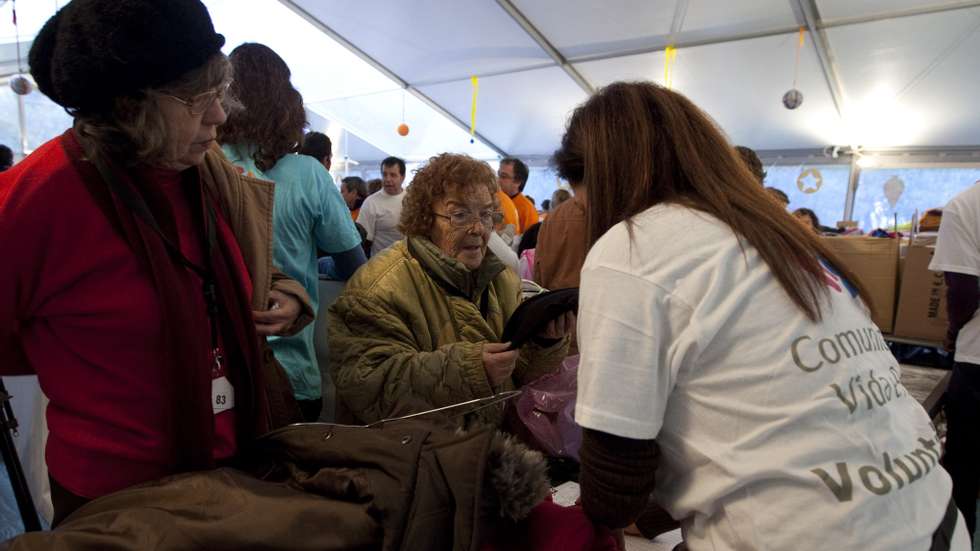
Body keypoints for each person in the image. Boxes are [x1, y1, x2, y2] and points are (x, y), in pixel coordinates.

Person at [557, 82, 969, 550]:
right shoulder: (777, 235)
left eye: (589, 207)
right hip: (930, 518)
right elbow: (761, 422)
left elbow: (614, 488)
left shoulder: (631, 248)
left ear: (607, 179)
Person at [0, 0, 314, 525]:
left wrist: (285, 293)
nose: (219, 114)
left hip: (240, 473)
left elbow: (230, 270)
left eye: (219, 91)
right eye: (196, 98)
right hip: (120, 509)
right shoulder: (36, 200)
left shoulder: (206, 171)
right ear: (129, 106)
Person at [327, 153, 571, 426]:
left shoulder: (502, 281)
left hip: (487, 456)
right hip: (412, 460)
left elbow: (519, 378)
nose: (478, 228)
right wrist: (469, 371)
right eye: (460, 215)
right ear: (424, 218)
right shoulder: (375, 288)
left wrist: (545, 342)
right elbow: (369, 387)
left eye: (486, 214)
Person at [218, 43, 366, 422]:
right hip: (292, 371)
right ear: (288, 102)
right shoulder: (308, 175)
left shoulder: (208, 166)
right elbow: (355, 264)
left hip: (219, 371)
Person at [930, 182, 980, 543]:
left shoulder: (966, 204)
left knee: (964, 465)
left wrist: (952, 331)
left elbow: (963, 289)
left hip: (978, 357)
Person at [358, 156, 406, 256]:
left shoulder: (412, 199)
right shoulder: (371, 203)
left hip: (409, 261)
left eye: (393, 175)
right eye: (384, 175)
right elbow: (364, 240)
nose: (388, 179)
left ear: (402, 177)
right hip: (382, 264)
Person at [498, 157, 539, 234]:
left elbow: (528, 242)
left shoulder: (528, 210)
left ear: (517, 181)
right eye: (498, 174)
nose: (498, 179)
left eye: (503, 176)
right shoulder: (495, 200)